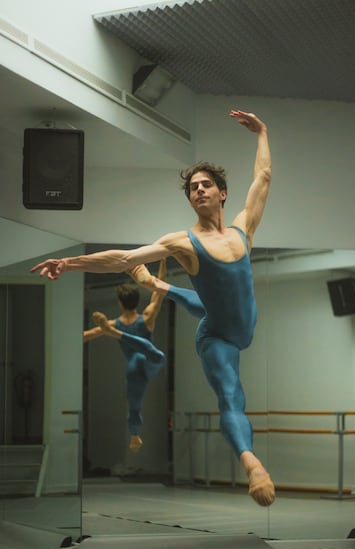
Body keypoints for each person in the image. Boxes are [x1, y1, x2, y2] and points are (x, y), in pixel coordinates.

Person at [31, 109, 275, 506]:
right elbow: (123, 259)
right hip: (218, 337)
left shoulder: (243, 228)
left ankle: (157, 283)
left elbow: (263, 177)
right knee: (231, 395)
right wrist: (70, 262)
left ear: (222, 193)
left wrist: (262, 132)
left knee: (193, 299)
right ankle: (252, 464)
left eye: (206, 184)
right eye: (192, 187)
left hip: (229, 316)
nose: (198, 190)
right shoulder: (181, 242)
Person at [83, 261, 167, 452]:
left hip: (140, 365)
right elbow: (160, 288)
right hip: (145, 366)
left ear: (120, 303)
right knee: (151, 360)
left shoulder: (113, 323)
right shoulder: (147, 316)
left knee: (140, 360)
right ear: (136, 301)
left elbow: (87, 335)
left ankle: (135, 434)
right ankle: (135, 436)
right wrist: (163, 261)